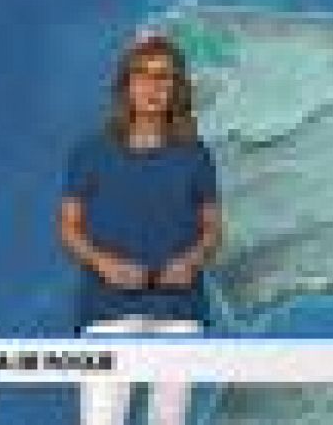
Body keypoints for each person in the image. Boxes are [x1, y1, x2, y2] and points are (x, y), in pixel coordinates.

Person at [58, 29, 222, 425]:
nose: (153, 86)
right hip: (108, 308)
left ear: (176, 87)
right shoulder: (89, 153)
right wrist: (103, 264)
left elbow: (213, 230)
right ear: (126, 85)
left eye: (163, 76)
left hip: (179, 309)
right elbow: (68, 228)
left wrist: (192, 261)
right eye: (143, 74)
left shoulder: (196, 156)